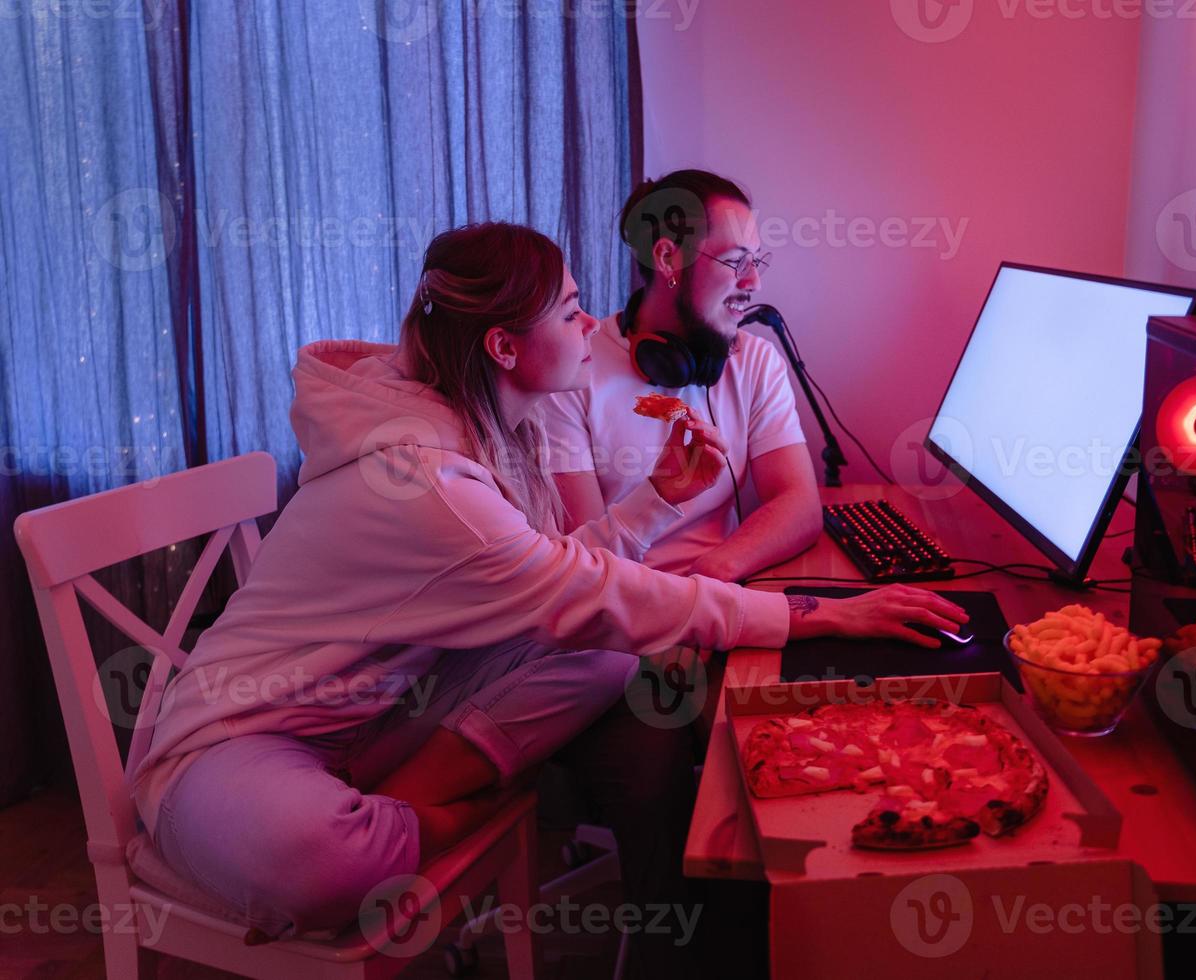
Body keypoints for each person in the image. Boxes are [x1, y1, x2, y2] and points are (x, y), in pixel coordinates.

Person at [124, 222, 967, 961]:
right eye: (569, 310)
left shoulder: (482, 426)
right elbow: (583, 587)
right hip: (241, 738)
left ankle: (394, 809)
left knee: (606, 660)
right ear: (503, 347)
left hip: (380, 714)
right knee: (320, 862)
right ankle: (423, 817)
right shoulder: (423, 480)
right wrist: (808, 615)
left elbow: (553, 579)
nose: (589, 323)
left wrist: (654, 502)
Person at [544, 170, 820, 583]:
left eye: (756, 260)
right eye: (735, 261)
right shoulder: (573, 377)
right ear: (668, 258)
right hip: (624, 617)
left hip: (720, 592)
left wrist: (715, 571)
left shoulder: (755, 362)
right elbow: (584, 563)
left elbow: (798, 503)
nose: (754, 281)